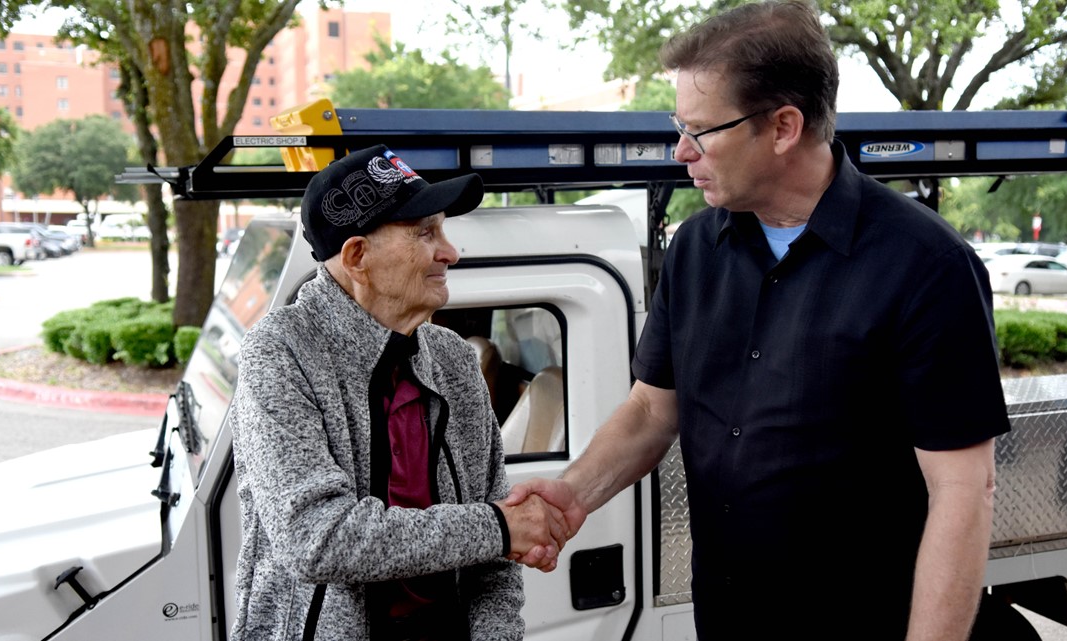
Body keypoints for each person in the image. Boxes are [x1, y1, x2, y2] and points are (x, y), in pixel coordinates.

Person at [507, 2, 1010, 639]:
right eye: (677, 125)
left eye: (701, 130)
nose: (681, 150)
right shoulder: (693, 250)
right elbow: (652, 410)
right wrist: (573, 494)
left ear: (783, 127)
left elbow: (964, 489)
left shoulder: (927, 267)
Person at [229, 144, 567, 641]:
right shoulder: (279, 353)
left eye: (444, 231)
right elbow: (315, 538)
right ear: (357, 256)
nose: (450, 252)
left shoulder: (452, 359)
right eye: (425, 233)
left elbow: (497, 554)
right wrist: (495, 527)